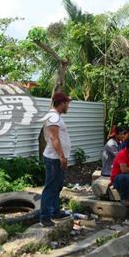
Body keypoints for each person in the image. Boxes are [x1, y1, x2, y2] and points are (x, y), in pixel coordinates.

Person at [40, 92, 72, 227]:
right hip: (54, 158)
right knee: (50, 188)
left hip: (57, 158)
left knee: (57, 187)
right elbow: (54, 138)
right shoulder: (53, 117)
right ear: (62, 103)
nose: (68, 106)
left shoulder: (56, 116)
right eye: (67, 103)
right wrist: (61, 156)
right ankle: (45, 217)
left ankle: (54, 212)